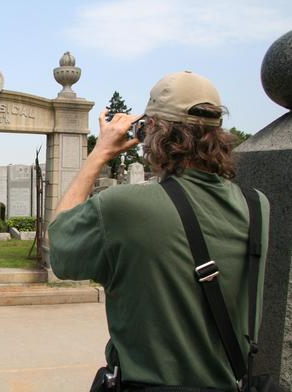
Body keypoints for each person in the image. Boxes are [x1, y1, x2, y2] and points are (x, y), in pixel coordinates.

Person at [47, 71, 270, 391]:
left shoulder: (124, 207)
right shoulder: (256, 206)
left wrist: (99, 153)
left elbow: (61, 251)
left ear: (152, 132)